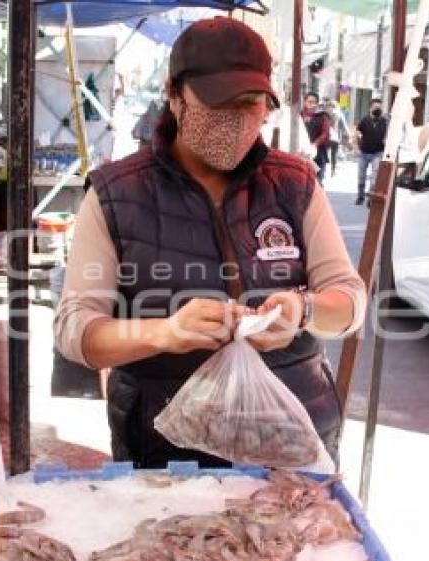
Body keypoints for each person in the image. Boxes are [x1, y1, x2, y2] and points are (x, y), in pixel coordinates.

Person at [54, 18, 366, 470]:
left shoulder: (294, 183)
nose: (237, 121)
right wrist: (165, 332)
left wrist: (304, 311)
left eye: (252, 103)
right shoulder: (115, 194)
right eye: (219, 103)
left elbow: (350, 298)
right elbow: (74, 330)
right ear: (175, 96)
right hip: (165, 449)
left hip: (290, 440)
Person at [354, 98, 388, 206]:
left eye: (379, 107)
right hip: (363, 153)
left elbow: (387, 137)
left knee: (375, 175)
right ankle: (360, 196)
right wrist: (356, 149)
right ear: (370, 108)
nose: (377, 109)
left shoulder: (384, 121)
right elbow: (356, 135)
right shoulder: (364, 120)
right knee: (361, 175)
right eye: (375, 107)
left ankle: (371, 197)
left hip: (377, 153)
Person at [301, 92, 331, 183]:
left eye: (313, 102)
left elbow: (325, 133)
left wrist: (315, 144)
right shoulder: (299, 115)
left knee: (317, 182)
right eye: (309, 101)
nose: (311, 104)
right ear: (305, 102)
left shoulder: (323, 116)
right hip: (302, 154)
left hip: (318, 154)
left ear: (317, 104)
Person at [324, 98, 349, 177]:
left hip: (326, 137)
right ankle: (333, 170)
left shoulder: (324, 113)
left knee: (324, 153)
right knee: (334, 154)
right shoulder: (339, 114)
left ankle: (322, 169)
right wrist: (347, 135)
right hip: (335, 137)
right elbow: (344, 126)